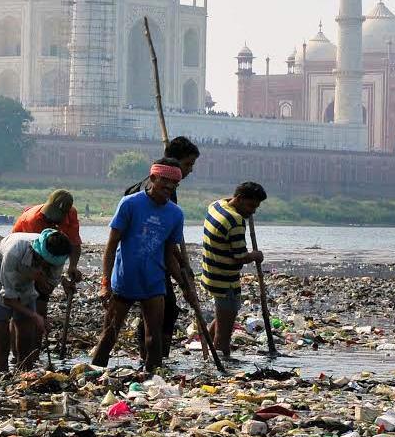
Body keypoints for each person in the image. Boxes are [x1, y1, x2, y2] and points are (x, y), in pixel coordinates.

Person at [94, 158, 201, 373]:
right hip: (125, 280)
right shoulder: (130, 204)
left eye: (174, 186)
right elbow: (111, 245)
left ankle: (153, 378)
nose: (168, 189)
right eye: (164, 184)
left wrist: (184, 286)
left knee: (154, 337)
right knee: (110, 334)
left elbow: (169, 254)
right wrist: (105, 283)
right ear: (152, 179)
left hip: (154, 282)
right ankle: (92, 374)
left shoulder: (175, 214)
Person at [123, 136, 201, 360]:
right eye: (188, 164)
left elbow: (167, 236)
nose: (189, 170)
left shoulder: (162, 187)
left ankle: (154, 359)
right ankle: (153, 360)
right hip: (147, 261)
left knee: (163, 310)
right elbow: (162, 239)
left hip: (150, 258)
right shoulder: (157, 190)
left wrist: (183, 265)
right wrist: (181, 271)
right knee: (160, 311)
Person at [0, 229, 73, 371]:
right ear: (37, 254)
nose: (47, 268)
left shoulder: (58, 257)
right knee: (2, 337)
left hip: (27, 284)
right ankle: (0, 376)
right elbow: (8, 299)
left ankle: (24, 373)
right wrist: (34, 315)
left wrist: (41, 280)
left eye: (50, 266)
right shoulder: (14, 252)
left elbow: (47, 290)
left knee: (26, 334)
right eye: (44, 264)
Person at [202, 181, 268, 358]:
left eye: (256, 207)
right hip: (225, 280)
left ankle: (205, 351)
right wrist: (256, 255)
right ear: (238, 199)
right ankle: (220, 363)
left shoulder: (216, 205)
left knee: (223, 317)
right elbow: (240, 256)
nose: (252, 211)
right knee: (224, 336)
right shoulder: (236, 221)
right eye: (250, 205)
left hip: (210, 273)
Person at [11, 189, 83, 318]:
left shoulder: (71, 213)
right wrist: (60, 280)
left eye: (56, 217)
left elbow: (74, 244)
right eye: (50, 215)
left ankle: (38, 328)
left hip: (44, 256)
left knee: (41, 302)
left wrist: (72, 267)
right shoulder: (33, 220)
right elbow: (39, 257)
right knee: (25, 307)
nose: (51, 219)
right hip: (23, 257)